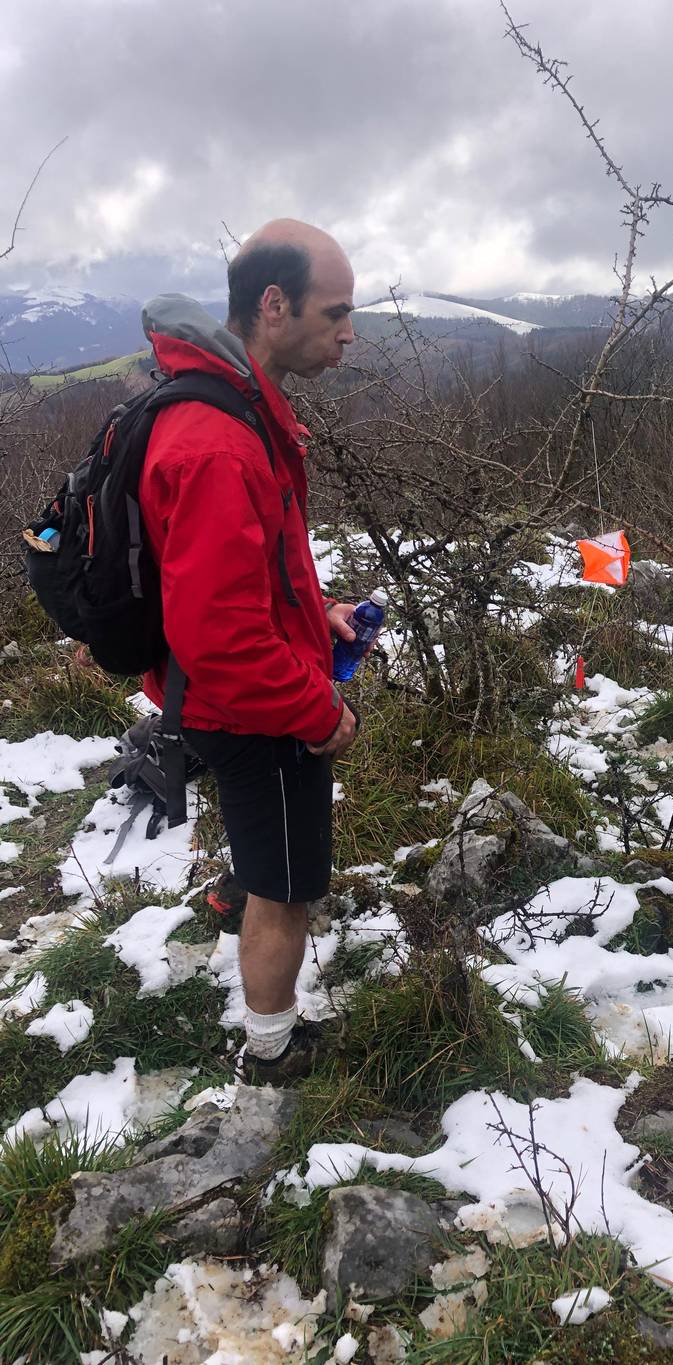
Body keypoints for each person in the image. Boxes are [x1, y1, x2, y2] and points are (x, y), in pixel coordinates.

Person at [138, 219, 359, 1080]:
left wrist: (317, 615)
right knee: (287, 887)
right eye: (335, 312)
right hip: (254, 712)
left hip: (236, 695)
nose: (348, 333)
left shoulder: (235, 406)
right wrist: (318, 713)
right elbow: (222, 638)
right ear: (274, 304)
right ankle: (272, 1050)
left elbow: (246, 578)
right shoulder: (220, 441)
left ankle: (243, 884)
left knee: (269, 857)